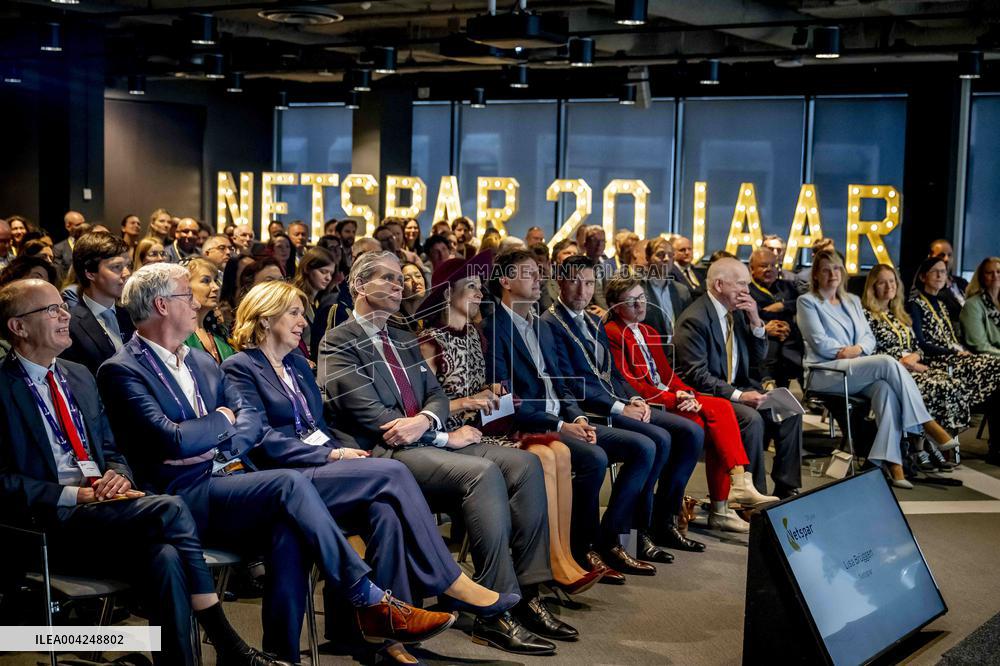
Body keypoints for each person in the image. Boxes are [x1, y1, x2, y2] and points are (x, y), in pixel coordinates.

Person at [96, 263, 457, 662]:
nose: (196, 302)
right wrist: (221, 422)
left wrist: (215, 434)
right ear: (162, 305)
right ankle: (368, 596)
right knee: (290, 483)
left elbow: (247, 424)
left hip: (233, 482)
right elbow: (174, 440)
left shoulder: (200, 362)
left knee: (289, 530)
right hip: (183, 498)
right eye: (187, 295)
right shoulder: (121, 370)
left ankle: (282, 656)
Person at [222, 280, 519, 662]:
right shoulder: (240, 367)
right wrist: (332, 458)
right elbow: (261, 439)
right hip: (283, 475)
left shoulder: (296, 365)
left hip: (319, 469)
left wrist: (338, 451)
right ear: (265, 318)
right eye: (294, 313)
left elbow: (317, 427)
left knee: (386, 511)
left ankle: (388, 631)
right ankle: (451, 581)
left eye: (302, 313)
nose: (303, 322)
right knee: (393, 474)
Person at [0, 279, 287, 666]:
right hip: (46, 525)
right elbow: (1, 481)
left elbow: (112, 451)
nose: (64, 314)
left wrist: (119, 475)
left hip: (103, 511)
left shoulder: (78, 375)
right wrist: (72, 494)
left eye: (61, 306)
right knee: (170, 507)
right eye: (50, 310)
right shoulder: (3, 387)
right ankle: (225, 639)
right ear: (18, 327)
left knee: (167, 557)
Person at [319, 251, 562, 656]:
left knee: (525, 463)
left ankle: (527, 593)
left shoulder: (401, 336)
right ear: (360, 286)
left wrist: (428, 422)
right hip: (382, 454)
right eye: (387, 278)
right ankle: (493, 614)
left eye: (401, 279)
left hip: (421, 441)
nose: (400, 286)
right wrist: (440, 437)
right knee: (482, 472)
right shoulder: (339, 341)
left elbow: (434, 394)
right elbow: (369, 415)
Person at [416, 252, 604, 595]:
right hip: (453, 436)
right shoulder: (430, 340)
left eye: (478, 286)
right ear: (447, 293)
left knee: (559, 452)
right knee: (545, 456)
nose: (478, 294)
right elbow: (426, 407)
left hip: (484, 426)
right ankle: (542, 565)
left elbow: (491, 392)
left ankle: (561, 555)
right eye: (470, 286)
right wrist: (473, 401)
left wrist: (491, 393)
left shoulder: (474, 336)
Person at [482, 249, 653, 582]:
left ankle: (609, 540)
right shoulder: (493, 327)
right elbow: (505, 399)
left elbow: (563, 384)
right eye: (529, 273)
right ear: (505, 281)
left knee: (642, 447)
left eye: (538, 273)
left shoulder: (539, 326)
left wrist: (577, 418)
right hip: (526, 427)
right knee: (594, 458)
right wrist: (560, 424)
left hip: (562, 421)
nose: (538, 279)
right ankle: (581, 547)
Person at [542, 255, 707, 557]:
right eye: (575, 282)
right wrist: (619, 407)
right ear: (560, 283)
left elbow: (614, 373)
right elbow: (572, 382)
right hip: (588, 411)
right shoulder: (550, 323)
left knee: (689, 433)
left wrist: (633, 398)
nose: (583, 291)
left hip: (612, 402)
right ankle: (621, 534)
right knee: (655, 441)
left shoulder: (592, 320)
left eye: (590, 283)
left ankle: (658, 523)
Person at [604, 275, 777, 533]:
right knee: (719, 411)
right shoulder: (613, 333)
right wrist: (677, 398)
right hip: (647, 403)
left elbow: (667, 375)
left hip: (669, 398)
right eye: (631, 302)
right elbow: (633, 385)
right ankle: (729, 492)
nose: (640, 306)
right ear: (615, 307)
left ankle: (715, 506)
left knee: (707, 420)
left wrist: (686, 394)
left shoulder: (648, 330)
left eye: (642, 298)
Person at [796, 250, 960, 488]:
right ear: (816, 274)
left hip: (853, 366)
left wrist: (857, 349)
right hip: (824, 372)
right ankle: (927, 424)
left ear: (843, 272)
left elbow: (868, 338)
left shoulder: (851, 301)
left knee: (885, 390)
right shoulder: (808, 302)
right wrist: (850, 350)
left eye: (836, 268)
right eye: (825, 269)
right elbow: (818, 341)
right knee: (885, 362)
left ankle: (890, 464)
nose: (832, 274)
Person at [674, 257, 803, 498]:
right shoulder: (695, 318)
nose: (747, 291)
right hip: (706, 395)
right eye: (741, 284)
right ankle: (752, 496)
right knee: (751, 418)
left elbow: (759, 357)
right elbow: (697, 376)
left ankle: (787, 488)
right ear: (720, 285)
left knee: (790, 410)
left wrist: (756, 320)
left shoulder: (739, 312)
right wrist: (740, 396)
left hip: (739, 386)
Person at [862, 264, 978, 470]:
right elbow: (869, 352)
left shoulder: (900, 315)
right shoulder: (866, 316)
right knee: (934, 386)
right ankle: (919, 446)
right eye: (882, 282)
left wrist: (915, 358)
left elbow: (918, 347)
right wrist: (902, 362)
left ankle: (928, 442)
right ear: (873, 287)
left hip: (914, 366)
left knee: (952, 382)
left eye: (892, 281)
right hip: (890, 372)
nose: (889, 286)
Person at [908, 256, 1000, 443]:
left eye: (943, 272)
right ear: (923, 277)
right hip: (939, 360)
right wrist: (955, 353)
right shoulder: (915, 304)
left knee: (997, 373)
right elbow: (922, 343)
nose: (941, 275)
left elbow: (951, 338)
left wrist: (958, 352)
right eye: (936, 272)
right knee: (996, 367)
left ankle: (996, 443)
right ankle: (996, 444)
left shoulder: (941, 304)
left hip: (957, 357)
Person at [61, 233, 135, 376]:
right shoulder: (69, 325)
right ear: (89, 272)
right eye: (117, 267)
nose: (127, 273)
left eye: (128, 266)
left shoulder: (131, 316)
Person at [748, 248, 803, 388]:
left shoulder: (787, 286)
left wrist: (783, 306)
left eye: (773, 265)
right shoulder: (746, 290)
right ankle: (768, 385)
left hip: (790, 335)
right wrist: (767, 327)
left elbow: (803, 303)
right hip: (762, 337)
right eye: (763, 266)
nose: (769, 269)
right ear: (751, 269)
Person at [292, 246, 351, 359]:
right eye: (323, 272)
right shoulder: (295, 298)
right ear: (307, 268)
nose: (328, 278)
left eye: (331, 273)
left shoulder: (320, 300)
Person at [184, 258, 235, 364]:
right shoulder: (176, 336)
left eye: (215, 280)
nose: (216, 287)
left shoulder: (220, 335)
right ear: (184, 287)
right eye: (206, 281)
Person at [642, 237, 691, 338]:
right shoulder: (637, 288)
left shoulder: (682, 290)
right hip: (650, 348)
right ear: (648, 258)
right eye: (660, 254)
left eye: (670, 255)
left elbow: (688, 326)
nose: (666, 259)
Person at [961, 257, 1000, 356]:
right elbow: (980, 346)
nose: (995, 276)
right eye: (989, 273)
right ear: (981, 277)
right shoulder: (972, 306)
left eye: (999, 272)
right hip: (989, 359)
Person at [928, 238, 967, 322]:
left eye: (949, 255)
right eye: (941, 255)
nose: (946, 259)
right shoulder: (930, 287)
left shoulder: (962, 282)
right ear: (930, 258)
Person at [53, 211, 86, 277]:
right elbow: (59, 275)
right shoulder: (58, 248)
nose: (83, 227)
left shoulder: (91, 244)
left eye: (84, 224)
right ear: (68, 226)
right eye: (78, 225)